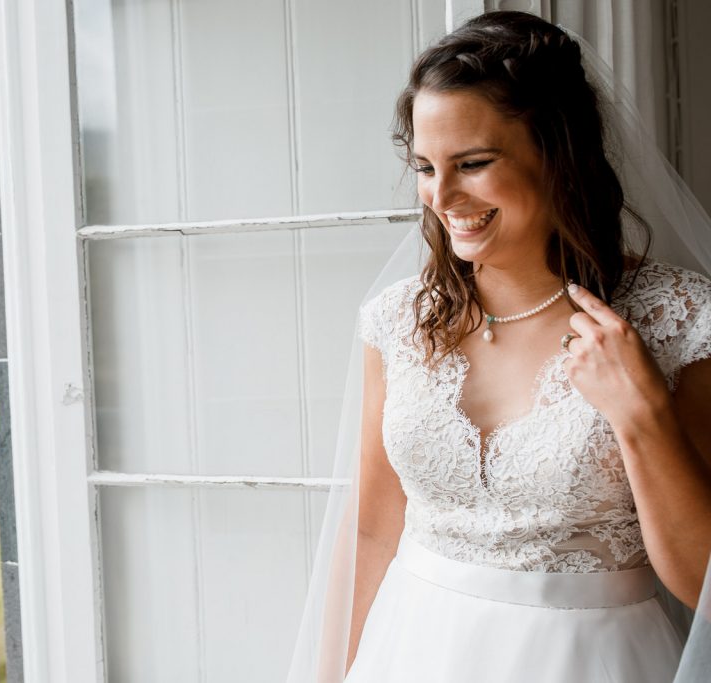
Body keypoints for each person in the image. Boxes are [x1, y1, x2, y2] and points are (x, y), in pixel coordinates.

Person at [287, 11, 711, 683]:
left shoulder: (677, 319)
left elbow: (702, 584)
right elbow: (370, 531)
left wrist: (641, 416)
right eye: (425, 167)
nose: (443, 196)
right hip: (408, 651)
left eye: (473, 163)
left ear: (558, 151)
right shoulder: (398, 320)